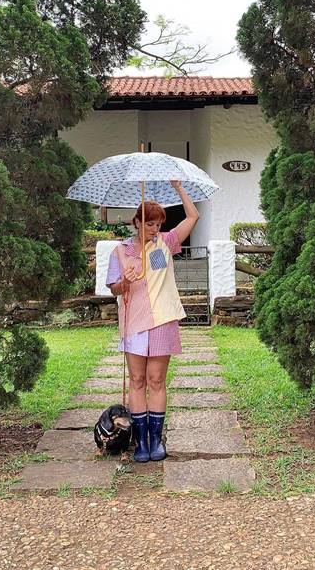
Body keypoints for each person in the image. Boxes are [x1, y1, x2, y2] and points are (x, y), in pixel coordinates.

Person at [106, 180, 199, 462]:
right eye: (149, 224)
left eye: (158, 224)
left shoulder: (166, 244)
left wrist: (180, 188)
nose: (154, 229)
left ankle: (156, 441)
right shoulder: (121, 251)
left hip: (162, 320)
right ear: (137, 222)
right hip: (134, 324)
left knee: (156, 380)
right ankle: (141, 442)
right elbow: (113, 288)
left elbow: (193, 216)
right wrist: (125, 281)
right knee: (137, 380)